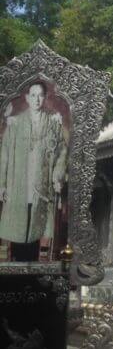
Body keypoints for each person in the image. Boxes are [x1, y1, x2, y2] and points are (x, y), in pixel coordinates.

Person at [0, 81, 68, 261]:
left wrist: (57, 175)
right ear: (27, 98)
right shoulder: (15, 124)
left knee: (37, 227)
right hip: (18, 184)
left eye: (40, 95)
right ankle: (17, 268)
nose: (36, 99)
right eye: (33, 95)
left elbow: (62, 151)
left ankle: (33, 269)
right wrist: (2, 185)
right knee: (19, 228)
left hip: (41, 186)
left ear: (45, 98)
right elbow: (4, 156)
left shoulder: (52, 122)